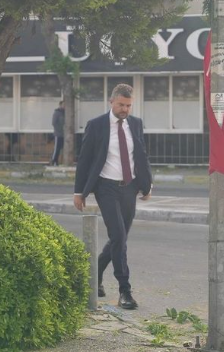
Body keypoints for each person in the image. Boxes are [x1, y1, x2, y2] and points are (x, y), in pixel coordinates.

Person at [74, 84, 152, 310]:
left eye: (128, 105)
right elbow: (85, 160)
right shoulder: (96, 125)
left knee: (120, 238)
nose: (125, 109)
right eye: (121, 105)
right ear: (111, 102)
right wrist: (79, 192)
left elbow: (141, 155)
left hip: (129, 187)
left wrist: (147, 185)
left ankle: (95, 273)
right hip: (105, 187)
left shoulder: (135, 124)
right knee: (118, 235)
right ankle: (124, 291)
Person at [51, 101, 65, 166]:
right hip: (58, 134)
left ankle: (58, 161)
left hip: (64, 134)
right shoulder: (57, 113)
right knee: (57, 148)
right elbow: (54, 123)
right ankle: (53, 161)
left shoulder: (65, 113)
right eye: (63, 105)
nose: (64, 106)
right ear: (60, 105)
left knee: (61, 149)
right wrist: (59, 130)